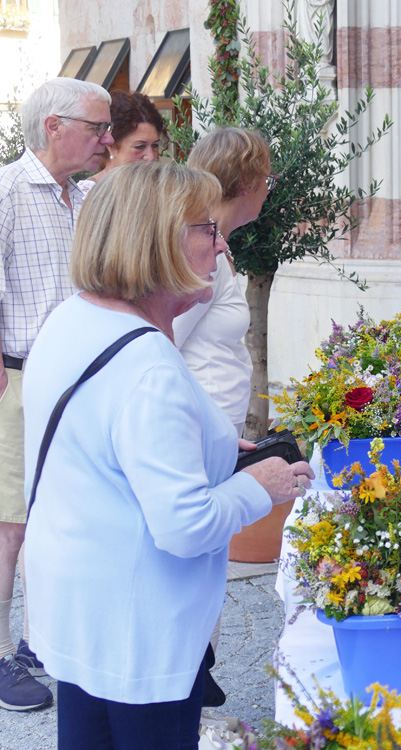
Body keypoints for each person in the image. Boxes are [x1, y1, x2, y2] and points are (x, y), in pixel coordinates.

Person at [21, 161, 314, 749]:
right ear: (158, 241)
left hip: (80, 602)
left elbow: (98, 436)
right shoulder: (147, 364)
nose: (221, 242)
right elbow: (186, 526)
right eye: (207, 228)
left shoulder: (72, 318)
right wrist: (264, 485)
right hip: (138, 628)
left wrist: (203, 440)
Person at [0, 76, 113, 712]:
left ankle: (41, 640)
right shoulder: (7, 191)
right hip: (18, 378)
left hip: (87, 382)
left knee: (66, 516)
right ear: (53, 127)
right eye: (96, 128)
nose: (106, 140)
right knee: (10, 523)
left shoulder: (95, 197)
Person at [175, 126, 276, 436]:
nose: (269, 190)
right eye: (267, 180)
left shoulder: (218, 248)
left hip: (218, 421)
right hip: (201, 423)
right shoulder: (202, 253)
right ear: (245, 184)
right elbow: (165, 340)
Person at [77, 90, 165, 195]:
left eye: (155, 145)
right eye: (140, 146)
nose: (150, 156)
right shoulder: (86, 195)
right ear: (111, 146)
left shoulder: (162, 190)